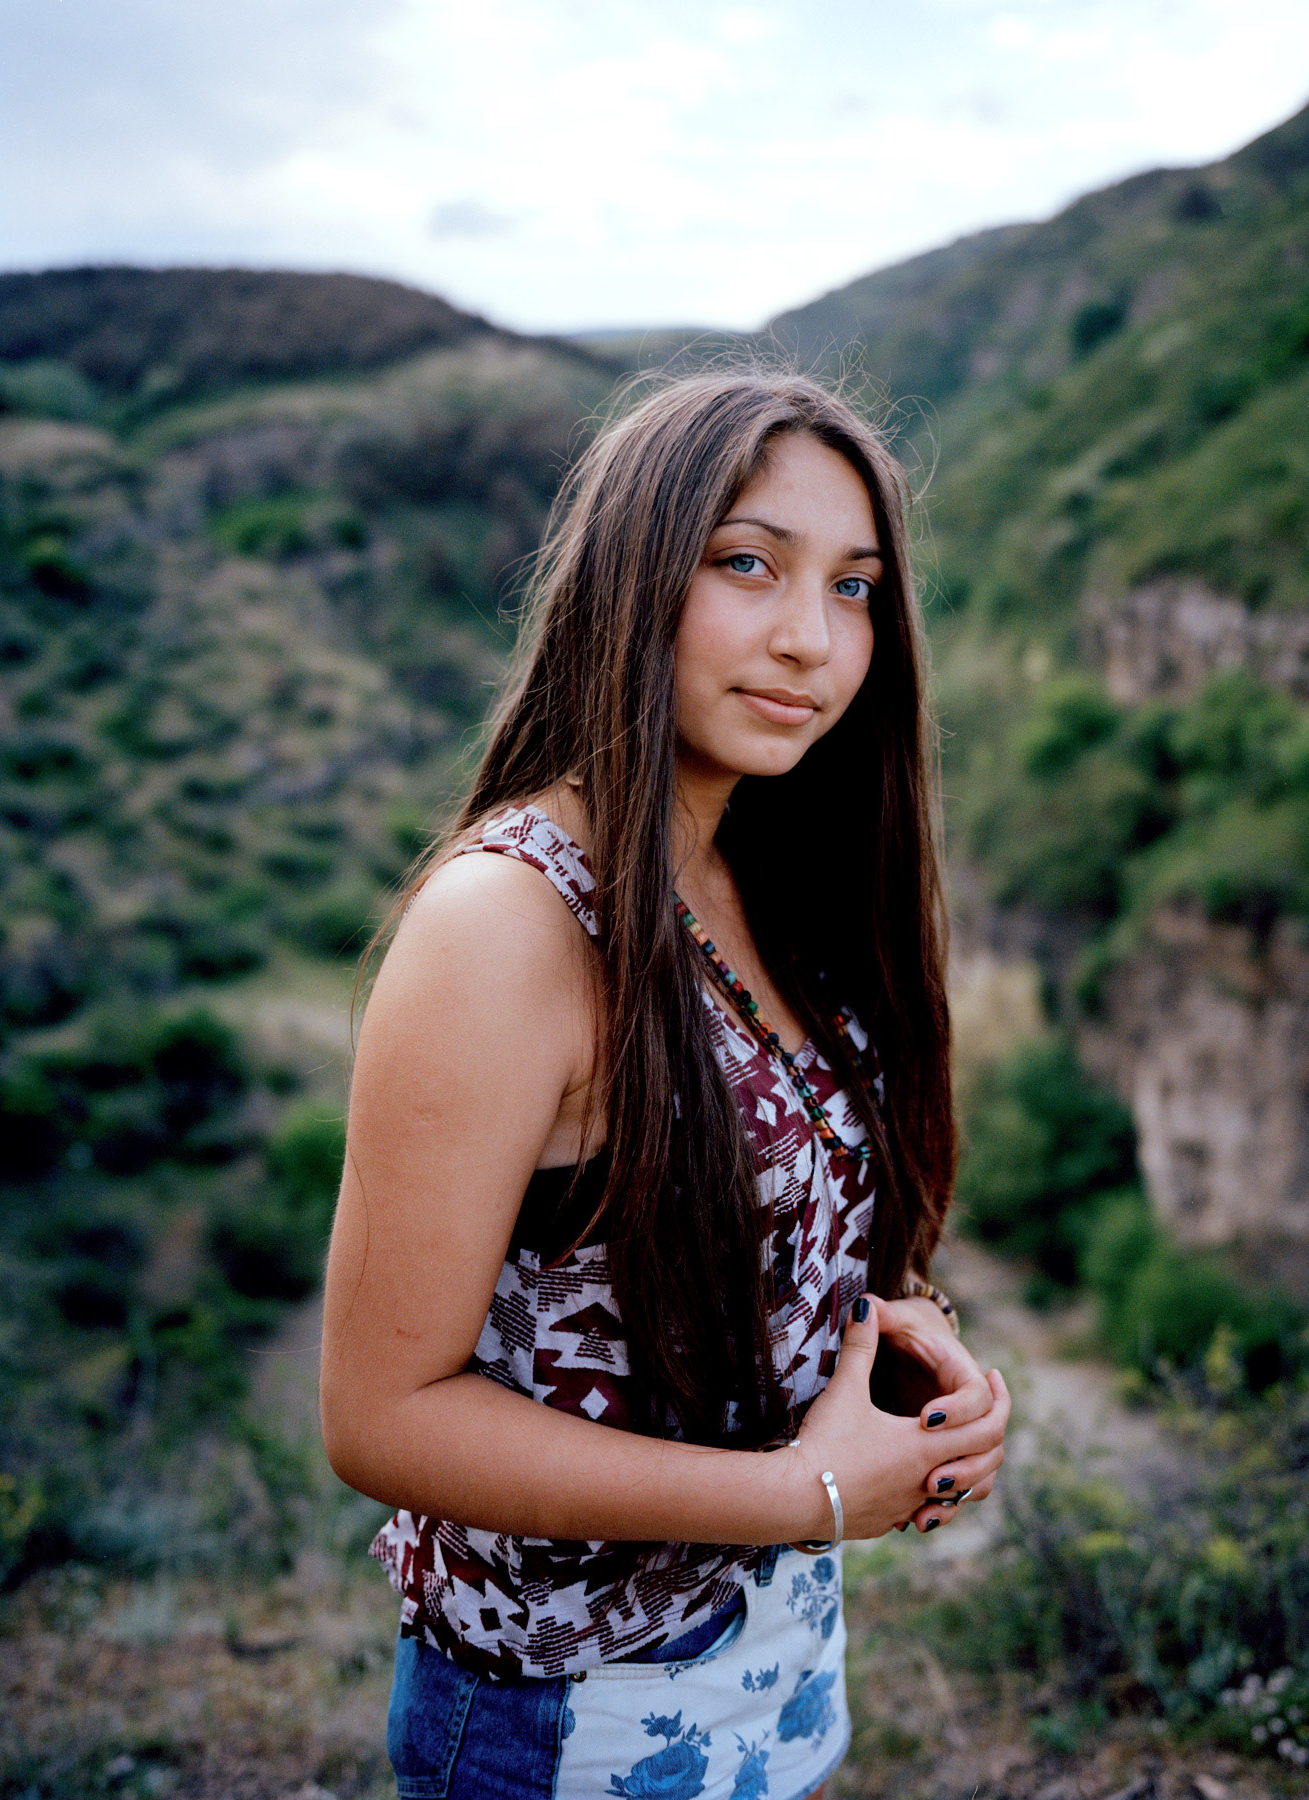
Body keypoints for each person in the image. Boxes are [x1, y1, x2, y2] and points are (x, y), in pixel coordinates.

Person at [320, 369, 1011, 1800]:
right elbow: (381, 1416)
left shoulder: (764, 866)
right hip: (563, 1723)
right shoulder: (507, 925)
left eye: (857, 587)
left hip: (778, 1668)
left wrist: (914, 1363)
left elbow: (794, 1196)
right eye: (748, 565)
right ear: (634, 579)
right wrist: (804, 1497)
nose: (812, 640)